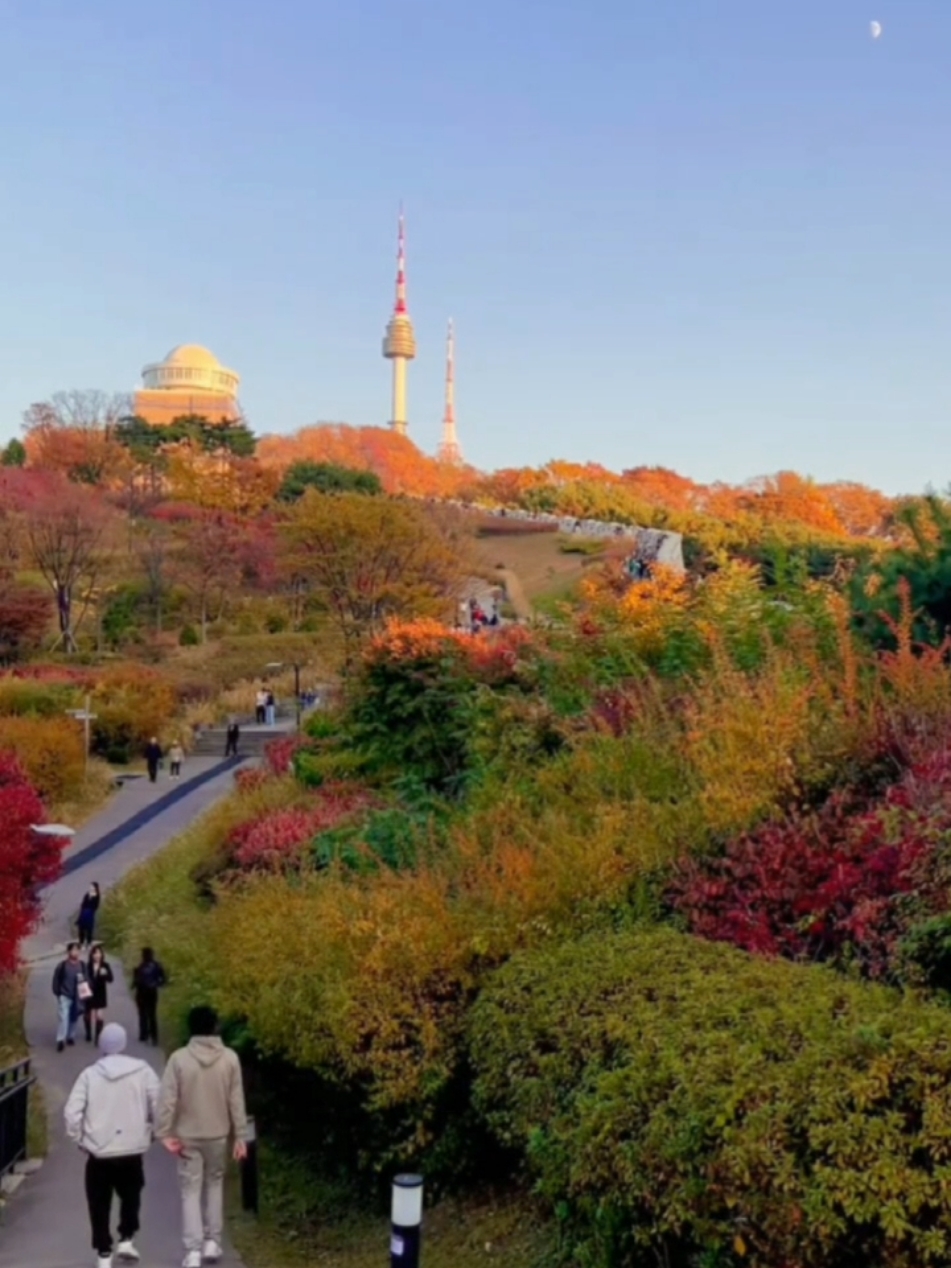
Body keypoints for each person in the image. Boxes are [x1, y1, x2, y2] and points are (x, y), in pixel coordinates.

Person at [157, 1005, 248, 1268]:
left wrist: (164, 1132)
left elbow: (167, 1100)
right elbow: (236, 1100)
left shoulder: (179, 1059)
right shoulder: (230, 1058)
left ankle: (192, 1250)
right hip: (218, 1134)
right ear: (215, 1026)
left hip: (186, 1136)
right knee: (214, 1184)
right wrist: (240, 1135)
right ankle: (213, 1241)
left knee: (190, 1191)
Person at [64, 1022, 160, 1268]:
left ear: (102, 1046)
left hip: (99, 1150)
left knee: (98, 1202)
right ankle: (127, 1237)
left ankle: (103, 1252)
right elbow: (159, 1103)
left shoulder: (89, 1075)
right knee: (131, 1195)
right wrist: (154, 1131)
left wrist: (79, 1138)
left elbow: (72, 1112)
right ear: (124, 1043)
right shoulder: (143, 1071)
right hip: (132, 1146)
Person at [53, 941, 89, 1052]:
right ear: (68, 952)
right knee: (63, 1017)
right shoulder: (62, 965)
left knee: (74, 1016)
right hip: (65, 994)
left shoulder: (82, 965)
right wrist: (58, 992)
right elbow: (56, 980)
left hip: (78, 995)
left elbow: (87, 979)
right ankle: (60, 1039)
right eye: (73, 950)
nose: (75, 952)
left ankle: (71, 1036)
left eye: (77, 950)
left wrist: (85, 992)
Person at [131, 947, 166, 1045]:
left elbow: (136, 981)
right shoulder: (155, 966)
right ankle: (151, 1036)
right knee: (150, 1014)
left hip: (144, 992)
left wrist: (134, 984)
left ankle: (145, 1034)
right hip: (150, 992)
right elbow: (163, 980)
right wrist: (156, 984)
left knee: (144, 1014)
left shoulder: (141, 966)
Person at [84, 944, 114, 1045]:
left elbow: (111, 979)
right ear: (91, 955)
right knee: (88, 1014)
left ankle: (98, 1037)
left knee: (99, 1016)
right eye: (95, 953)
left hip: (100, 993)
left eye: (99, 953)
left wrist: (105, 974)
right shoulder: (88, 966)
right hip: (89, 992)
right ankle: (88, 1033)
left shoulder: (105, 966)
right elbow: (83, 978)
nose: (97, 955)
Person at [77, 882, 101, 950]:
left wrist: (90, 909)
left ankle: (89, 942)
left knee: (89, 928)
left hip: (90, 913)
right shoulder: (87, 894)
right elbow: (83, 903)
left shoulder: (97, 896)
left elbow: (96, 905)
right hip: (84, 912)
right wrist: (83, 909)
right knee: (81, 927)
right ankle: (81, 942)